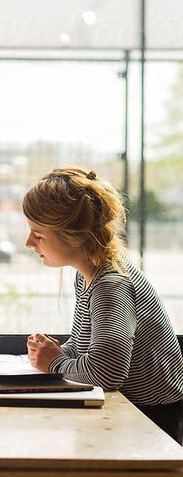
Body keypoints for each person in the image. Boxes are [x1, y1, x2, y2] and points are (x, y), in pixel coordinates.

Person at [22, 166, 183, 444]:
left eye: (38, 235)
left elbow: (106, 374)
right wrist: (59, 351)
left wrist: (54, 362)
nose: (28, 243)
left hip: (152, 421)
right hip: (132, 411)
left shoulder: (111, 286)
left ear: (74, 235)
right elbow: (91, 348)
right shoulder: (88, 276)